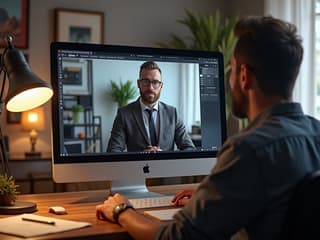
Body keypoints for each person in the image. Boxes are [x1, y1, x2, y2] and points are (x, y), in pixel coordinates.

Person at [96, 15, 320, 240]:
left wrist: (121, 210)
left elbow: (175, 237)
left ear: (244, 76)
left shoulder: (247, 150)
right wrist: (216, 197)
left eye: (231, 70)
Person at [107, 61, 195, 152]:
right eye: (146, 81)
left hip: (167, 166)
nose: (150, 88)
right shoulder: (124, 114)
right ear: (138, 83)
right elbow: (113, 150)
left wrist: (167, 156)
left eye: (155, 82)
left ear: (161, 86)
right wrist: (142, 156)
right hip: (138, 166)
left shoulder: (172, 113)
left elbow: (189, 148)